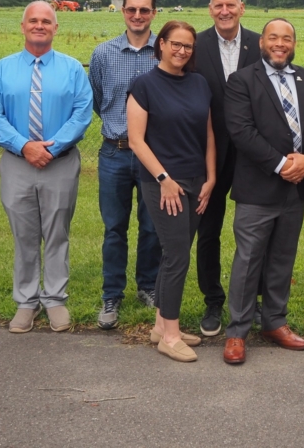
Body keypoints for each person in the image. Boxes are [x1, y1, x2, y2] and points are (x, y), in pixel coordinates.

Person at [221, 18, 304, 365]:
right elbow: (241, 131)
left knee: (283, 258)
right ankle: (237, 332)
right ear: (262, 42)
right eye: (273, 37)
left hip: (296, 189)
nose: (280, 44)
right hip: (258, 187)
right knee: (248, 259)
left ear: (294, 44)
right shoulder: (241, 81)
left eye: (287, 38)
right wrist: (282, 165)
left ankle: (274, 322)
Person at [0, 1, 92, 334]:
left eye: (46, 21)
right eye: (33, 20)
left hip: (60, 163)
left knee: (57, 233)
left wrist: (52, 148)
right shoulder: (2, 70)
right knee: (24, 235)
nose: (39, 25)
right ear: (23, 26)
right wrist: (24, 146)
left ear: (56, 27)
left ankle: (55, 299)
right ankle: (26, 302)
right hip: (17, 163)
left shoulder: (73, 69)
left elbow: (82, 113)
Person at [126, 20, 216, 363]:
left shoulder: (199, 83)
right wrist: (164, 179)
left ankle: (160, 326)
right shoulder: (144, 85)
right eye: (175, 43)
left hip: (196, 181)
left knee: (173, 255)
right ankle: (171, 337)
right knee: (178, 257)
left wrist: (210, 178)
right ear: (161, 44)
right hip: (163, 184)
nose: (181, 50)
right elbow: (136, 141)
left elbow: (208, 133)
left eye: (188, 46)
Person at [88, 0, 162, 330]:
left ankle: (148, 286)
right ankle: (112, 294)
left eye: (144, 10)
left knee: (152, 226)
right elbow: (98, 98)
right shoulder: (103, 53)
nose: (137, 15)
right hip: (114, 153)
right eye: (131, 9)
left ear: (154, 13)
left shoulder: (164, 51)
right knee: (114, 228)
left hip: (153, 155)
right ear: (123, 12)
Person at [192, 0, 262, 336]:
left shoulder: (260, 44)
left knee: (256, 231)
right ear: (210, 9)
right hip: (209, 153)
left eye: (230, 5)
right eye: (218, 5)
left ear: (241, 8)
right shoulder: (195, 45)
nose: (224, 11)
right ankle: (213, 299)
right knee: (208, 230)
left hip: (253, 154)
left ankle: (254, 300)